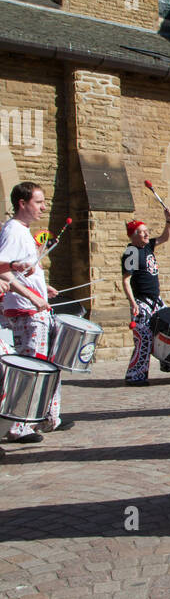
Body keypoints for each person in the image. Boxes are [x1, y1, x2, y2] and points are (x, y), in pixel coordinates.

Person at [0, 182, 68, 439]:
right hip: (28, 313)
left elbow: (15, 267)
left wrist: (42, 286)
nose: (43, 207)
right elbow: (1, 267)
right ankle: (20, 425)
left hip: (31, 309)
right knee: (32, 369)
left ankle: (39, 419)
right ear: (23, 203)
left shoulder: (21, 230)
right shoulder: (14, 230)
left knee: (38, 366)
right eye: (38, 202)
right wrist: (31, 295)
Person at [122, 210, 170, 384]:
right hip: (142, 302)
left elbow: (164, 238)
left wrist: (169, 221)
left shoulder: (147, 247)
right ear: (133, 236)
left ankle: (168, 363)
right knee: (144, 337)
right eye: (141, 231)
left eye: (146, 231)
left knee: (169, 329)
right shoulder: (131, 252)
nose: (146, 233)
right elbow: (126, 280)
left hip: (156, 300)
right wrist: (133, 304)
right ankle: (135, 376)